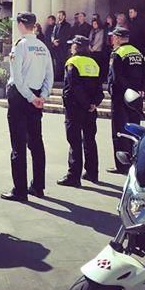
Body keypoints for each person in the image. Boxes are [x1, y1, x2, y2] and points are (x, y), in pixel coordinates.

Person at [1, 12, 54, 202]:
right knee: (36, 143)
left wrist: (31, 97)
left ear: (22, 25)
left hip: (20, 98)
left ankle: (20, 190)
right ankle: (38, 187)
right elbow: (50, 75)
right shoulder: (43, 47)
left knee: (18, 145)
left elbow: (17, 79)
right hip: (37, 96)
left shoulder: (21, 46)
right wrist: (42, 96)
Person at [57, 35, 104, 187]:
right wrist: (93, 104)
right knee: (90, 140)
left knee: (74, 141)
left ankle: (73, 176)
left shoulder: (72, 62)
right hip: (90, 109)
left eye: (72, 45)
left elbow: (73, 87)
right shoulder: (94, 63)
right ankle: (92, 173)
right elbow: (99, 88)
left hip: (75, 109)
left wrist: (85, 104)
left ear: (76, 47)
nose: (71, 47)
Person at [107, 26, 145, 174]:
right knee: (134, 130)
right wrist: (142, 90)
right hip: (136, 98)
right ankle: (133, 161)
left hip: (121, 97)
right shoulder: (137, 53)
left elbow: (116, 77)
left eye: (113, 37)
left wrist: (126, 90)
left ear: (118, 38)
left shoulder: (117, 53)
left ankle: (121, 165)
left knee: (119, 131)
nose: (112, 40)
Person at [52, 11, 72, 81]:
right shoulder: (56, 25)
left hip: (63, 47)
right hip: (56, 47)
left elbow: (66, 36)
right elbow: (53, 34)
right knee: (57, 63)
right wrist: (53, 41)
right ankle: (57, 77)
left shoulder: (67, 25)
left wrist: (59, 42)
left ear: (64, 16)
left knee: (63, 62)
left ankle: (63, 77)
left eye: (60, 15)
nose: (58, 17)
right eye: (58, 15)